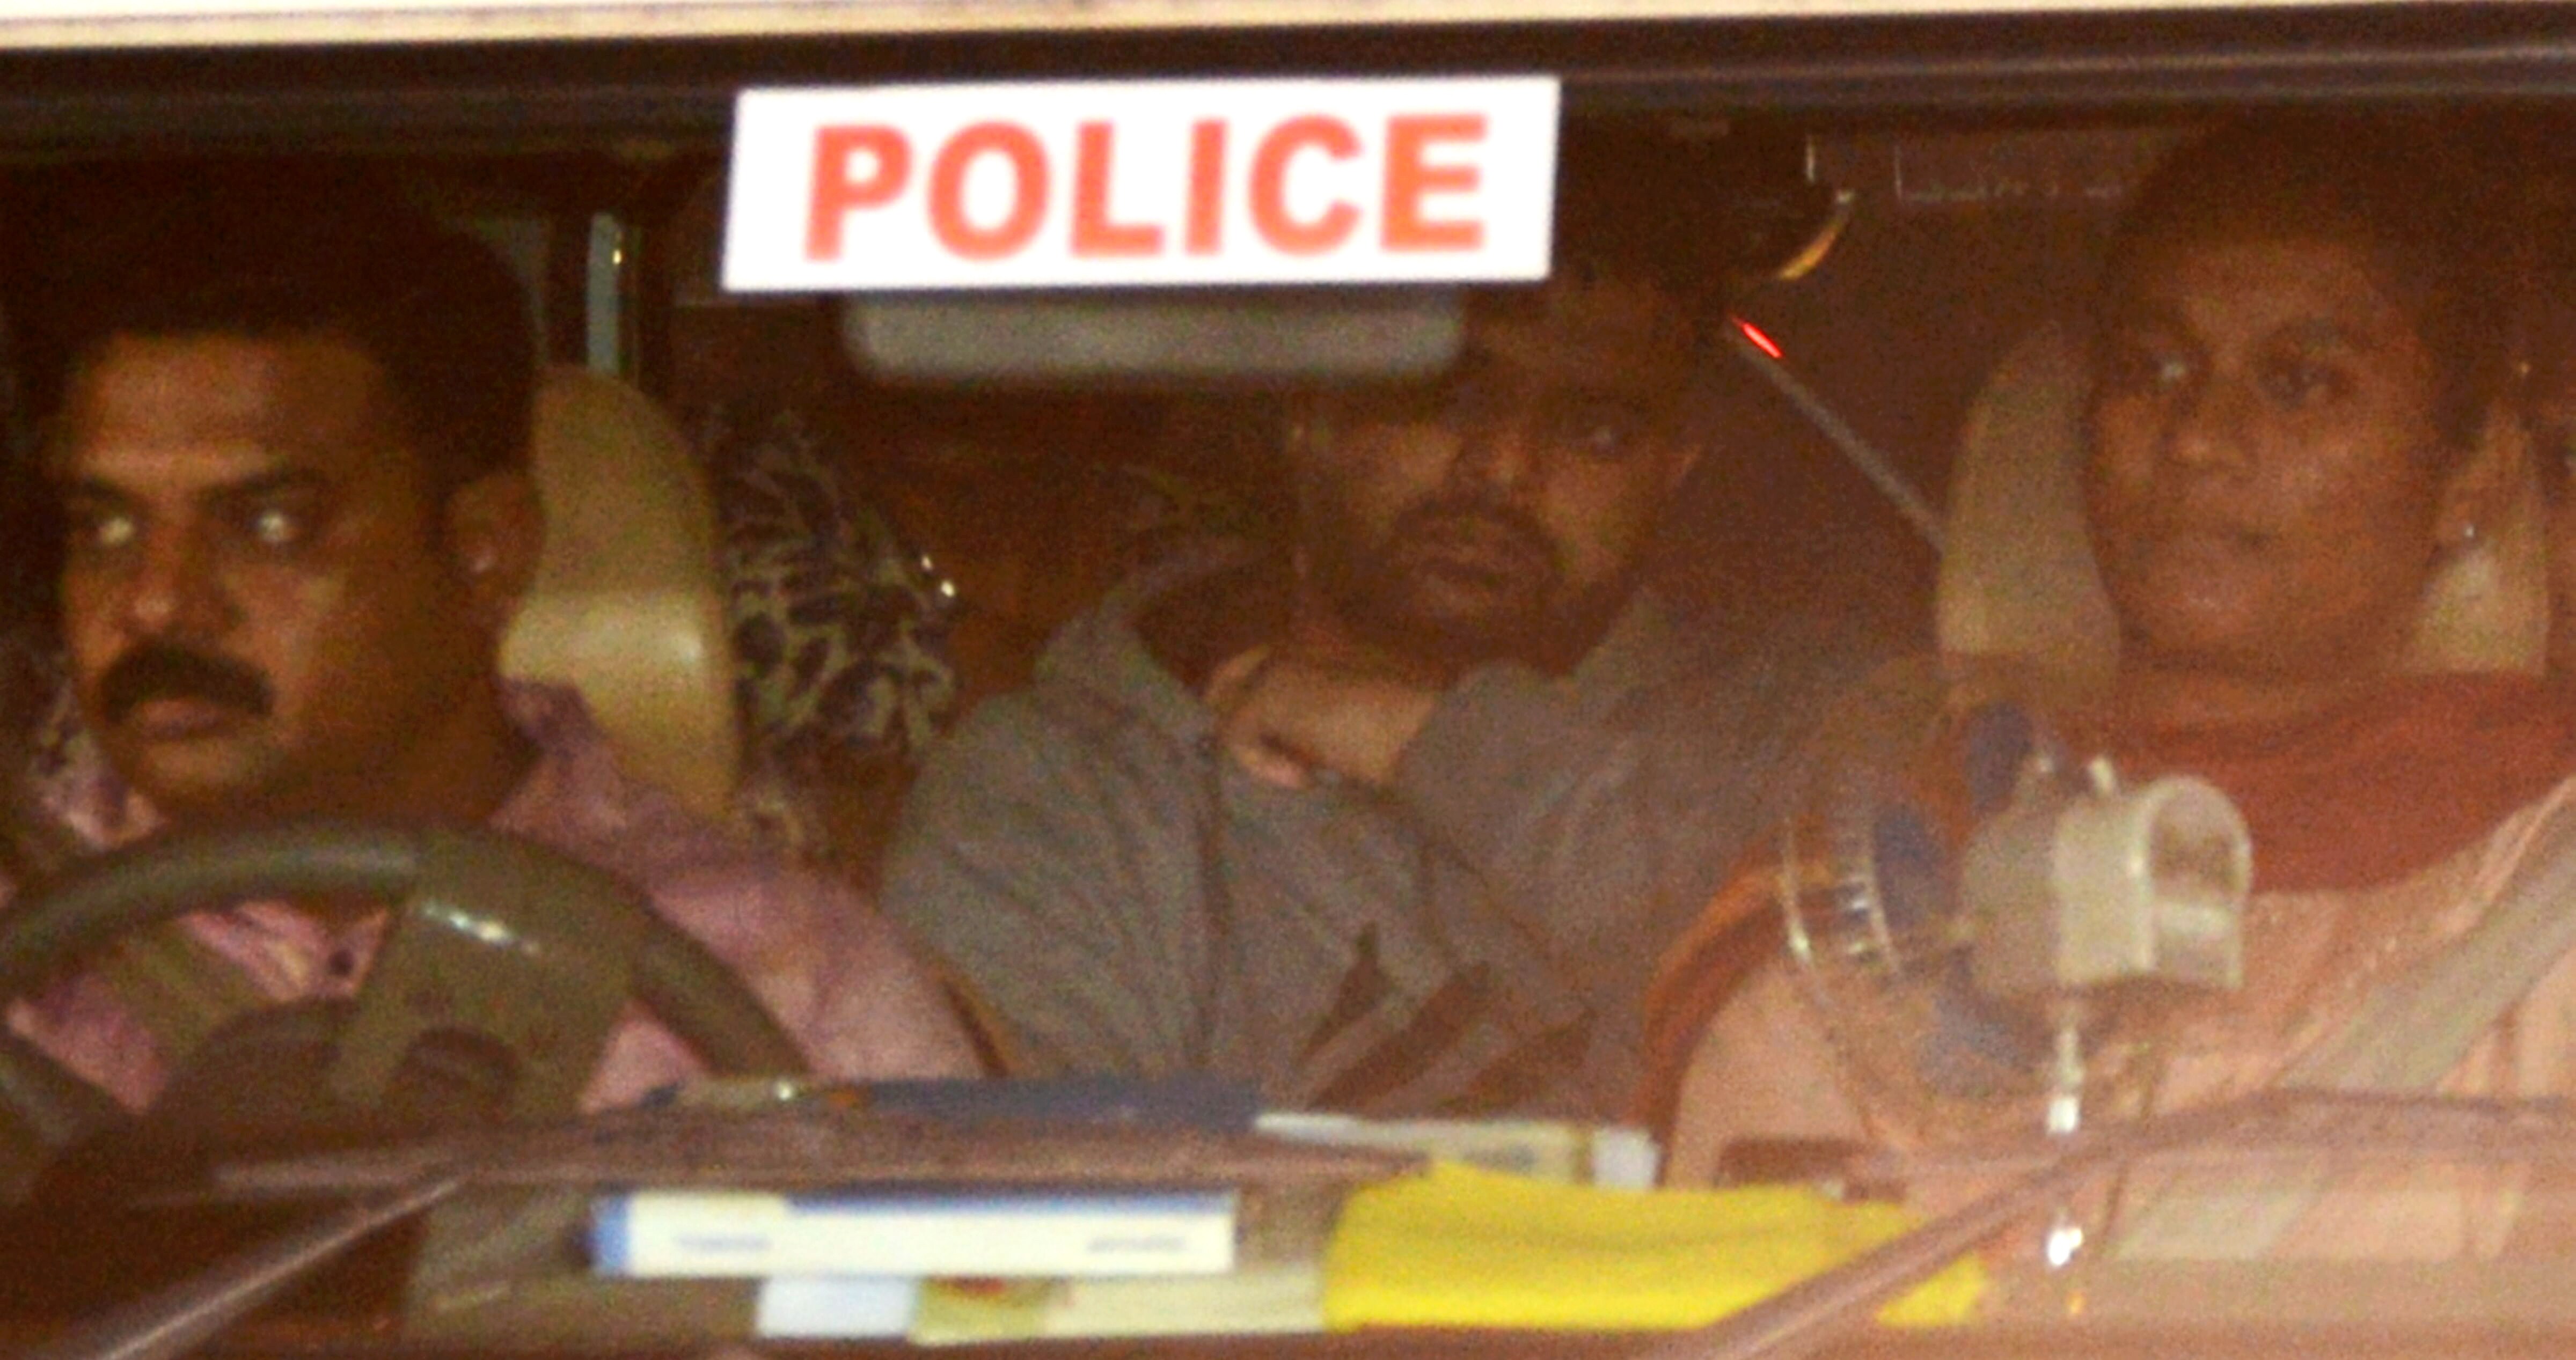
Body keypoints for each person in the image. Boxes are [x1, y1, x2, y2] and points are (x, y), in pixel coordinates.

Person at [1650, 117, 2576, 1262]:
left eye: (2300, 384)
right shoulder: (1878, 891)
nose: (2199, 439)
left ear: (2471, 475)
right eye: (2153, 371)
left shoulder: (2541, 888)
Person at [882, 128, 1876, 1119]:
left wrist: (1436, 746)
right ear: (1308, 413)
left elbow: (1869, 1029)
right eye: (1444, 398)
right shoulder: (1068, 791)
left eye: (1596, 429)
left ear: (1672, 470)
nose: (1504, 468)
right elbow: (1013, 1190)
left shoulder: (1801, 729)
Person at [6, 197, 978, 1119]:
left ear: (485, 552)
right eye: (106, 529)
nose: (156, 600)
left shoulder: (783, 975)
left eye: (268, 526)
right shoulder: (24, 945)